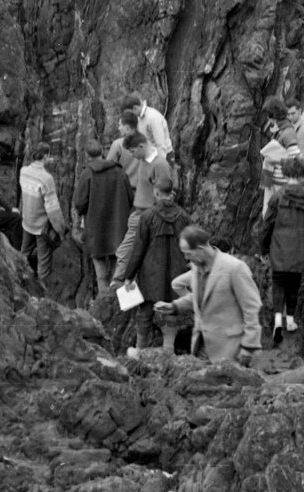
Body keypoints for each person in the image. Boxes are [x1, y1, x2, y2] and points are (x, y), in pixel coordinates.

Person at [155, 225, 263, 364]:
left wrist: (249, 346)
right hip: (200, 347)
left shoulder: (235, 268)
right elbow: (202, 297)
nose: (186, 258)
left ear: (201, 249)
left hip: (231, 350)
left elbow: (252, 308)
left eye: (188, 253)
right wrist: (175, 306)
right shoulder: (196, 267)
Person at [256, 158, 304, 344]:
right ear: (303, 175)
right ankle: (290, 320)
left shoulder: (277, 197)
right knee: (294, 282)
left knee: (279, 282)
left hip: (279, 248)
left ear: (286, 174)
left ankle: (278, 322)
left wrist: (264, 248)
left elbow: (266, 226)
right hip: (303, 250)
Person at [122, 177, 192, 356]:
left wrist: (129, 276)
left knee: (145, 312)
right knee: (172, 311)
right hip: (177, 273)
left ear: (157, 193)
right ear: (172, 193)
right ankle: (169, 350)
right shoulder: (184, 217)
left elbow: (138, 249)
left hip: (150, 273)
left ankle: (139, 351)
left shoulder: (147, 216)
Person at [110, 132, 172, 287]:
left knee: (127, 252)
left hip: (148, 216)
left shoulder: (160, 165)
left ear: (141, 146)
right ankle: (121, 285)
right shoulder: (143, 160)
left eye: (132, 151)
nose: (132, 155)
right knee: (125, 252)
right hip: (137, 213)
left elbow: (166, 194)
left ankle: (118, 284)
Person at [74, 139, 134, 297]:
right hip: (119, 229)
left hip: (96, 231)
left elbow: (80, 203)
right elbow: (131, 197)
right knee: (119, 271)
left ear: (87, 156)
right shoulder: (120, 172)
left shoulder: (87, 174)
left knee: (101, 274)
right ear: (103, 153)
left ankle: (103, 308)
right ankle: (120, 306)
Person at [18, 142, 69, 285]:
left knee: (24, 253)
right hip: (41, 227)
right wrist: (61, 230)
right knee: (43, 260)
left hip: (27, 221)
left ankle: (19, 279)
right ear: (46, 156)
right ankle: (41, 291)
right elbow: (53, 209)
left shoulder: (23, 171)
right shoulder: (46, 178)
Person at [259, 98, 302, 217]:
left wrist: (276, 160)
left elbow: (296, 160)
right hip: (276, 183)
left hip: (282, 186)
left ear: (273, 116)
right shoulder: (280, 131)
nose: (268, 120)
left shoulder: (288, 133)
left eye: (269, 116)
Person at [121, 94, 174, 160]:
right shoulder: (139, 118)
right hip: (150, 156)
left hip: (163, 156)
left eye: (130, 113)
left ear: (135, 108)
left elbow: (161, 144)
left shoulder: (153, 117)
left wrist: (160, 162)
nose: (130, 115)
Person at [105, 110, 141, 187]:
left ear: (127, 128)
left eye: (120, 125)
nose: (119, 128)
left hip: (123, 190)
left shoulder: (118, 145)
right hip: (141, 191)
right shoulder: (146, 143)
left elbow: (108, 169)